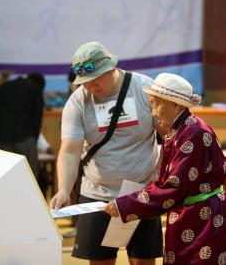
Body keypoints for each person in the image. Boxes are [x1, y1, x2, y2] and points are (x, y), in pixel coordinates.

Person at [104, 73, 226, 265]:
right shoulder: (181, 130)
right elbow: (167, 183)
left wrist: (125, 206)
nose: (153, 113)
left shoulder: (193, 133)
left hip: (206, 218)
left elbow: (174, 188)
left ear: (175, 104)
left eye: (156, 104)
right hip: (193, 213)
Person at [49, 41, 163, 265]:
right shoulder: (78, 101)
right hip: (97, 195)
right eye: (85, 82)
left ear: (111, 68)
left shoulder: (144, 88)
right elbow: (70, 151)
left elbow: (167, 134)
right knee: (100, 262)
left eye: (95, 80)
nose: (90, 87)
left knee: (143, 260)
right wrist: (63, 189)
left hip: (142, 191)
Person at [0, 74, 44, 178]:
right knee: (29, 178)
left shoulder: (3, 87)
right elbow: (37, 117)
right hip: (25, 139)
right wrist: (33, 137)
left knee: (5, 178)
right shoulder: (35, 89)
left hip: (2, 139)